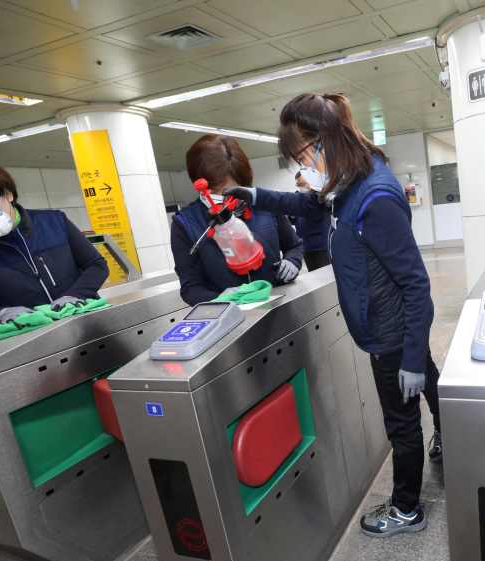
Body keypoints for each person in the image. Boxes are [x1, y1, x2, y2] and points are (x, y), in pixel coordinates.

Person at [232, 93, 443, 536]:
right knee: (428, 380)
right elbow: (306, 204)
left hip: (390, 332)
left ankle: (407, 508)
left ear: (324, 144)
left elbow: (416, 283)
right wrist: (254, 196)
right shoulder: (348, 183)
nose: (299, 169)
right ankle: (450, 434)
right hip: (390, 324)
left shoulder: (375, 197)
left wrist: (405, 357)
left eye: (301, 157)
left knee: (401, 424)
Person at [0, 157, 108, 331]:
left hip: (87, 322)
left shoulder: (54, 222)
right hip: (30, 335)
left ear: (7, 194)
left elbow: (96, 265)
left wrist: (75, 295)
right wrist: (0, 315)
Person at [170, 135, 303, 305]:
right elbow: (190, 287)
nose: (228, 198)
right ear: (200, 185)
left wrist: (292, 261)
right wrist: (219, 299)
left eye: (234, 189)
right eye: (219, 192)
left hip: (277, 304)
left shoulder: (263, 204)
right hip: (229, 318)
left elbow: (294, 245)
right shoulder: (186, 223)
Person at [293, 170, 332, 271]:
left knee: (327, 278)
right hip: (307, 248)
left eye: (302, 184)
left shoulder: (320, 197)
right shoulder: (299, 199)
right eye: (298, 184)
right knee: (315, 277)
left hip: (322, 247)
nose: (300, 187)